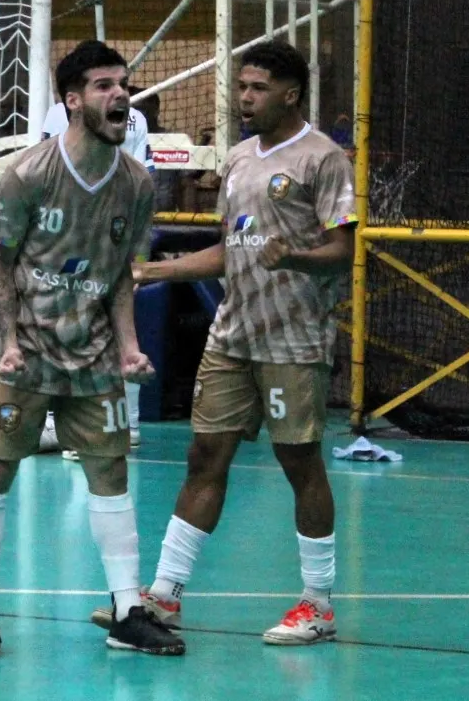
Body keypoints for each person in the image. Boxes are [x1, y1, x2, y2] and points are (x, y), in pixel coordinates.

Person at [119, 39, 356, 649]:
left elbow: (343, 253)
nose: (244, 99)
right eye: (242, 87)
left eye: (256, 88)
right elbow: (231, 250)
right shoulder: (240, 160)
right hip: (233, 336)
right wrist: (155, 271)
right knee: (205, 457)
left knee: (298, 463)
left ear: (290, 93)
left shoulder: (322, 160)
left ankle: (318, 604)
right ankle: (165, 595)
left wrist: (296, 255)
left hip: (293, 340)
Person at [0, 41, 181, 660]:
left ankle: (128, 611)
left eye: (124, 85)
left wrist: (130, 346)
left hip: (93, 357)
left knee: (110, 476)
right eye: (105, 85)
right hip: (24, 354)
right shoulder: (31, 173)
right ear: (73, 99)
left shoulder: (137, 184)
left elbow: (118, 276)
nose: (120, 96)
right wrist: (4, 342)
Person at [44, 70, 154, 451]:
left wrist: (138, 261)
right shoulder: (129, 117)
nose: (116, 92)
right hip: (101, 240)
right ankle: (117, 424)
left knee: (95, 329)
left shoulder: (125, 118)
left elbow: (144, 186)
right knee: (106, 331)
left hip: (90, 241)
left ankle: (93, 426)